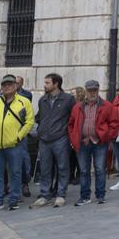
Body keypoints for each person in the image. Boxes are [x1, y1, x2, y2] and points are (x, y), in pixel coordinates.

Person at [0, 75, 34, 213]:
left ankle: (14, 199)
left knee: (15, 173)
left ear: (16, 86)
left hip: (14, 145)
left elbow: (29, 122)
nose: (7, 87)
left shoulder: (24, 102)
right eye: (4, 85)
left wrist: (19, 136)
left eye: (10, 84)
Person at [67, 80, 118, 206]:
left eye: (94, 90)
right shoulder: (78, 106)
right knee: (84, 170)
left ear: (98, 90)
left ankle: (100, 195)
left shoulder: (106, 105)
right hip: (83, 142)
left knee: (100, 169)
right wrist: (73, 138)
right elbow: (71, 124)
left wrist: (107, 136)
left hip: (100, 142)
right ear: (86, 91)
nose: (92, 93)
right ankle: (85, 196)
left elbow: (114, 123)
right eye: (90, 90)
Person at [32, 73, 75, 208]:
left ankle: (61, 195)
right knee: (44, 169)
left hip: (60, 138)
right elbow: (39, 117)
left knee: (62, 167)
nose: (44, 85)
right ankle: (45, 194)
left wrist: (67, 133)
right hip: (44, 139)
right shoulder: (42, 100)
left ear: (56, 84)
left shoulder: (68, 99)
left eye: (47, 83)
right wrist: (40, 131)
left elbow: (73, 118)